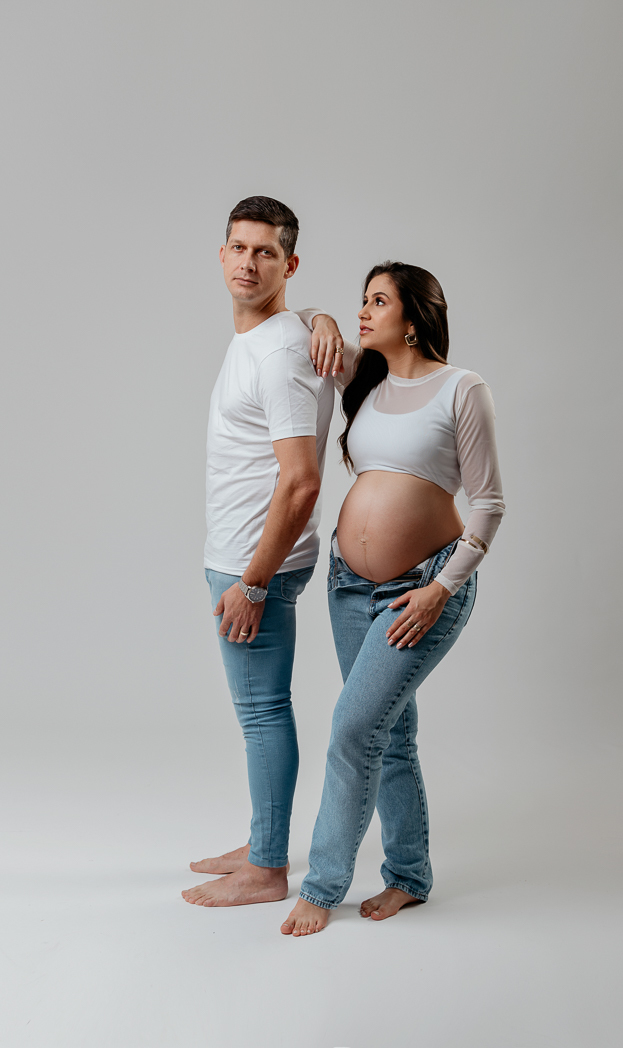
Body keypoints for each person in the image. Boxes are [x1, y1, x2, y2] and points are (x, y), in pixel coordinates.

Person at [281, 261, 505, 935]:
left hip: (421, 588)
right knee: (390, 734)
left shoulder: (462, 388)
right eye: (362, 300)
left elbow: (489, 504)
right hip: (348, 585)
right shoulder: (365, 380)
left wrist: (441, 589)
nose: (363, 311)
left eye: (378, 301)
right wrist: (322, 316)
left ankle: (322, 885)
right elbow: (298, 321)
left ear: (413, 318)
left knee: (354, 730)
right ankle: (409, 875)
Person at [182, 196, 343, 908]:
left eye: (265, 252)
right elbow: (300, 323)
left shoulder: (279, 355)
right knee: (261, 710)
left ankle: (267, 868)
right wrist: (319, 315)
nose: (248, 263)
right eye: (239, 248)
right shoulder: (276, 333)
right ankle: (262, 841)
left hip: (256, 565)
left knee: (263, 712)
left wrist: (251, 583)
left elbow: (301, 480)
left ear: (289, 264)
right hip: (247, 555)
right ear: (222, 254)